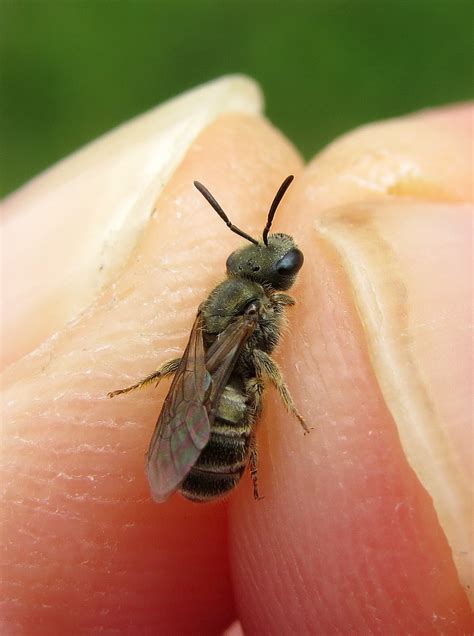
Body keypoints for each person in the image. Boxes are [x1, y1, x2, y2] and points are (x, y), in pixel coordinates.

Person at [1, 89, 472, 634]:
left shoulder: (223, 303)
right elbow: (260, 371)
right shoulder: (258, 310)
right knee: (244, 385)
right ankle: (242, 444)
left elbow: (204, 364)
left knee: (222, 378)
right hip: (214, 450)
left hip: (200, 426)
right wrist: (294, 414)